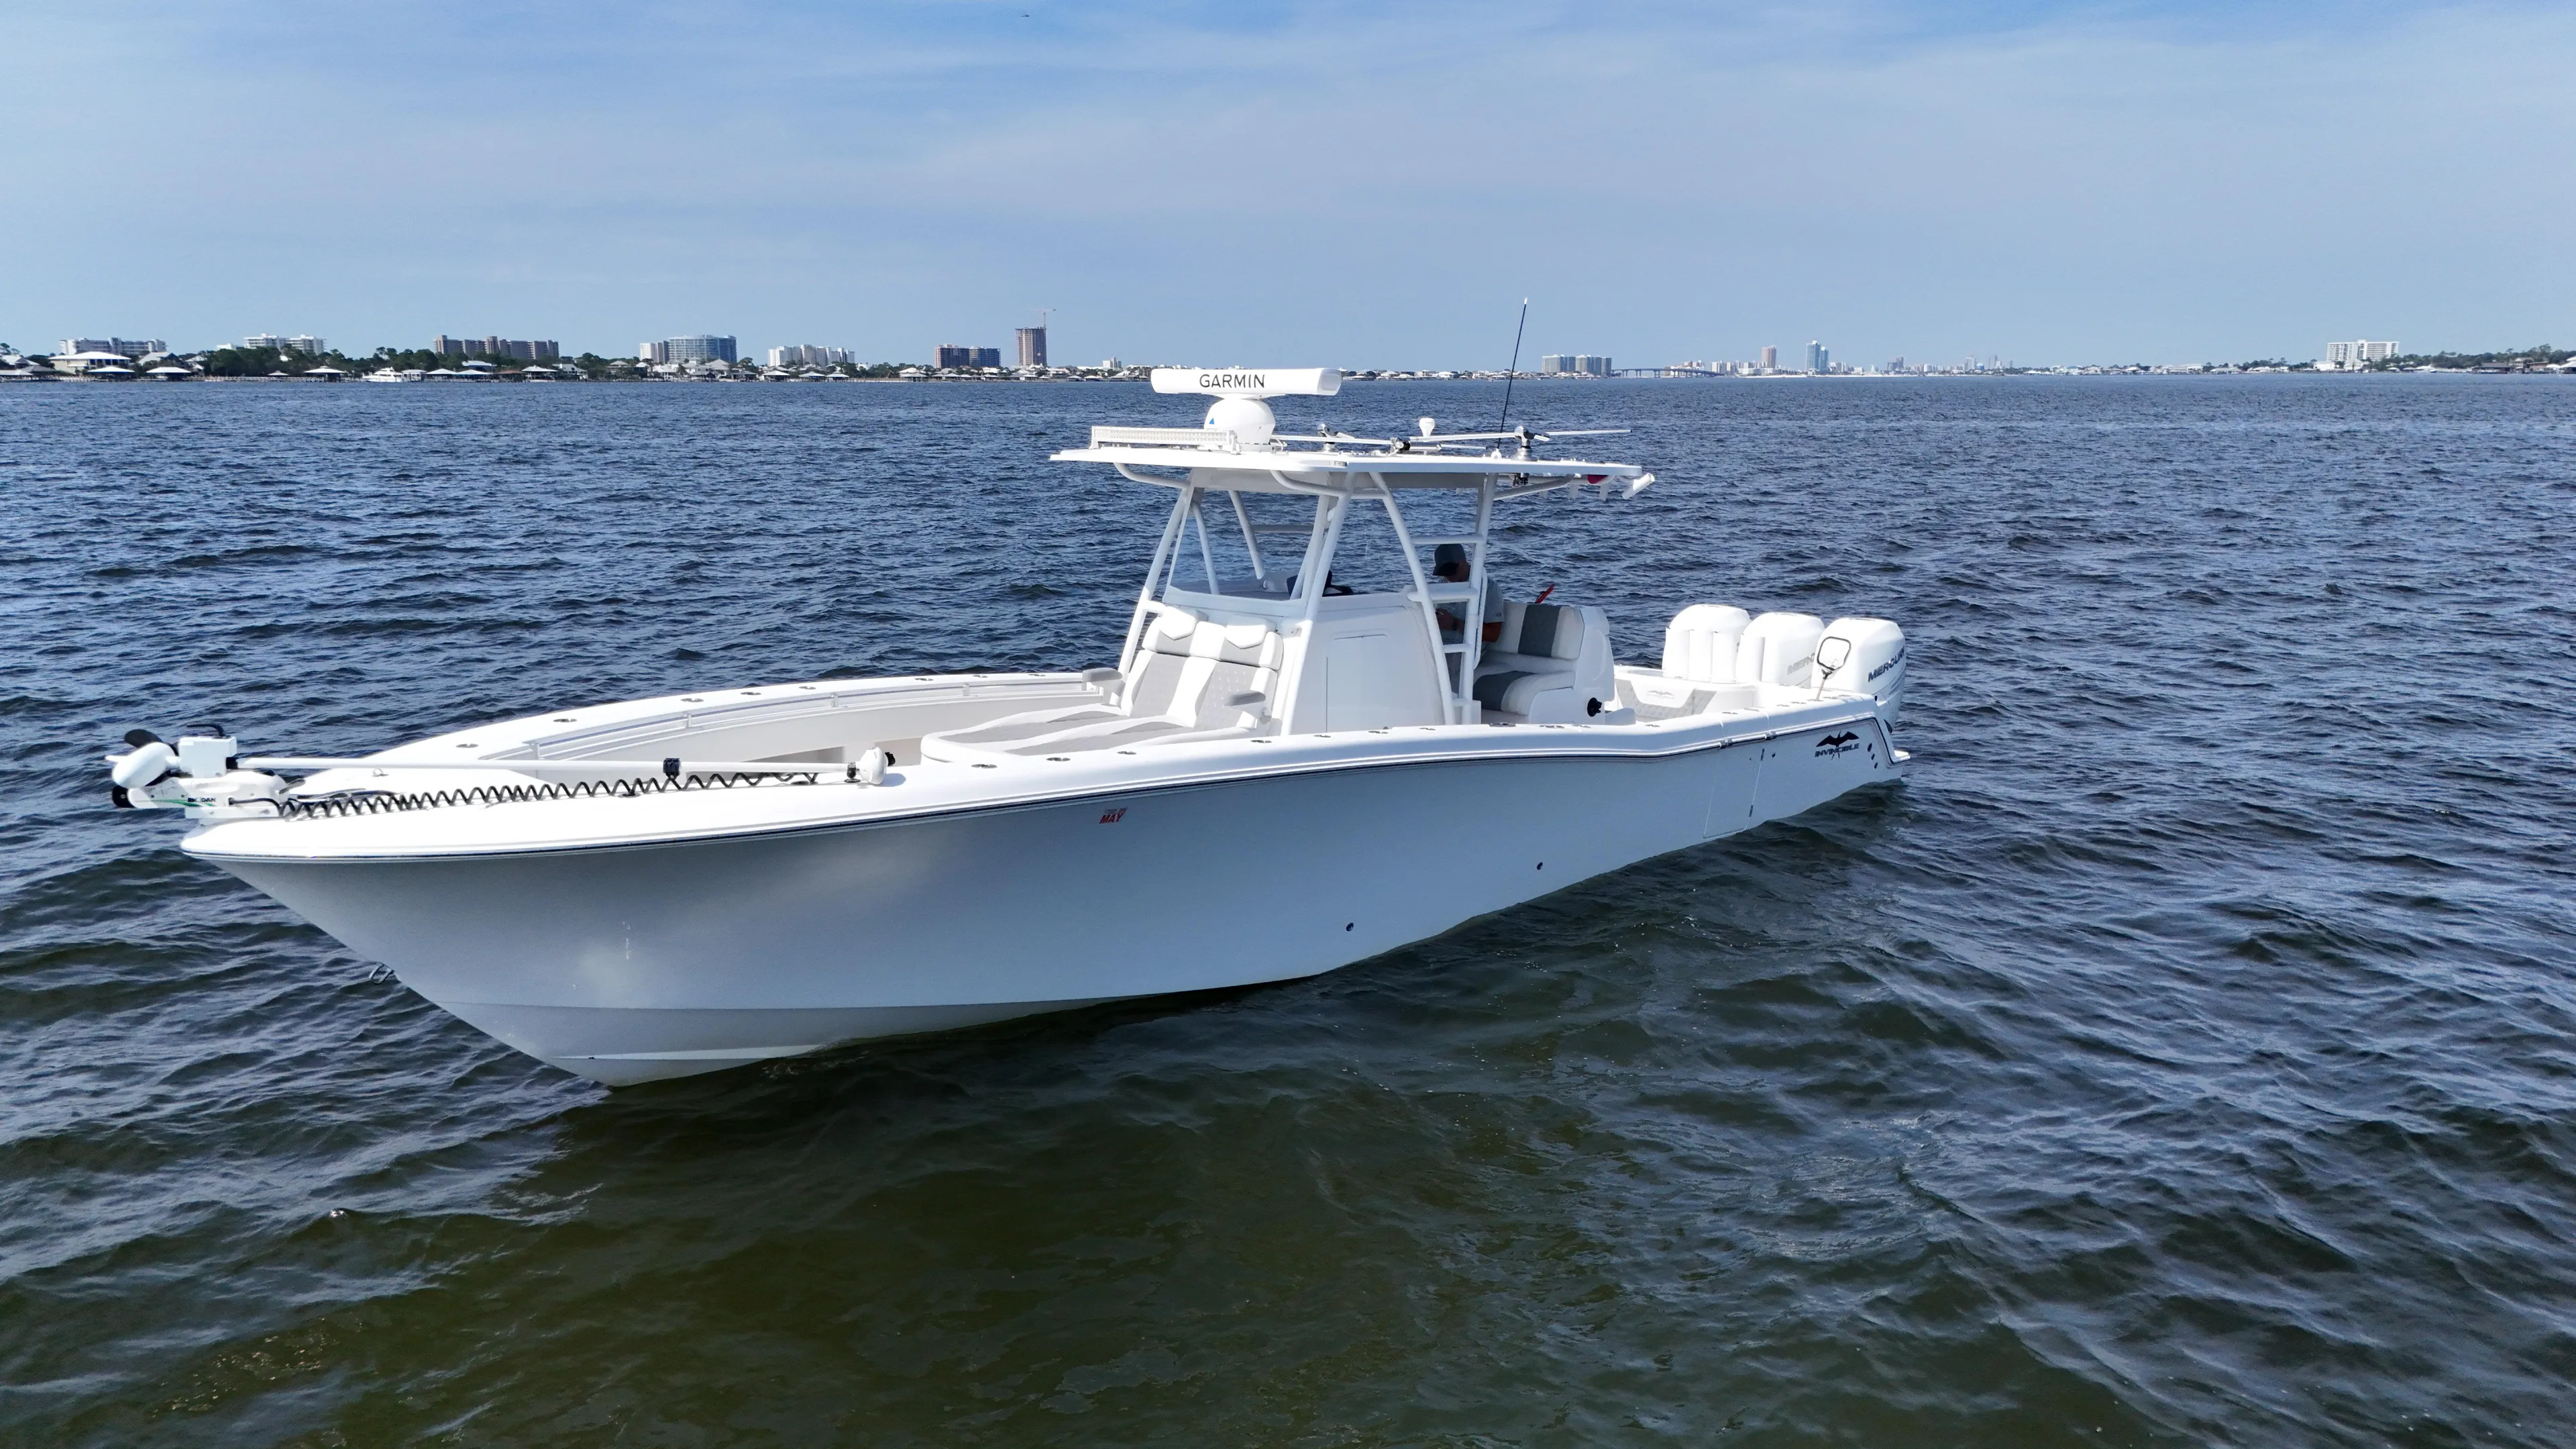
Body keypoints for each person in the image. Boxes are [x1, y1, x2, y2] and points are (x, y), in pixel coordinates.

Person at [1432, 543, 1506, 644]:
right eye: (1443, 572)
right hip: (1436, 647)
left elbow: (1493, 634)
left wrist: (1454, 624)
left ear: (1463, 562)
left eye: (1450, 570)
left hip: (1464, 653)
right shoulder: (1442, 584)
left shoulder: (1488, 588)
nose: (1448, 576)